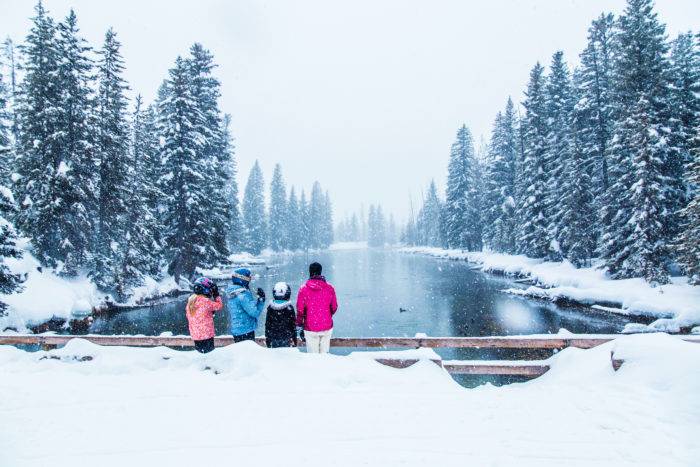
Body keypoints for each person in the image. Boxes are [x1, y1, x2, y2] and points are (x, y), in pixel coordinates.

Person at [296, 262, 338, 354]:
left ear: (310, 272)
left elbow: (300, 310)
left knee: (312, 357)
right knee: (324, 355)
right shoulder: (329, 288)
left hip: (310, 327)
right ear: (320, 272)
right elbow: (334, 307)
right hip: (326, 325)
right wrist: (326, 314)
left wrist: (299, 324)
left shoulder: (303, 289)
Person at [226, 267, 265, 343]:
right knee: (248, 353)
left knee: (240, 353)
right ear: (243, 280)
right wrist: (261, 300)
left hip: (237, 330)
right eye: (248, 279)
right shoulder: (242, 295)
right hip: (246, 330)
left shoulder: (232, 293)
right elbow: (255, 312)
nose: (249, 282)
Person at [185, 277, 223, 353]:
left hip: (196, 336)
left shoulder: (190, 302)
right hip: (207, 335)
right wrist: (216, 294)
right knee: (209, 356)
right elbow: (219, 305)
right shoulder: (206, 302)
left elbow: (191, 316)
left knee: (200, 356)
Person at [264, 282, 298, 348]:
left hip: (274, 336)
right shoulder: (289, 308)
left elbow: (268, 324)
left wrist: (268, 338)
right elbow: (293, 325)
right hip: (286, 336)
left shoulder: (270, 307)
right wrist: (294, 338)